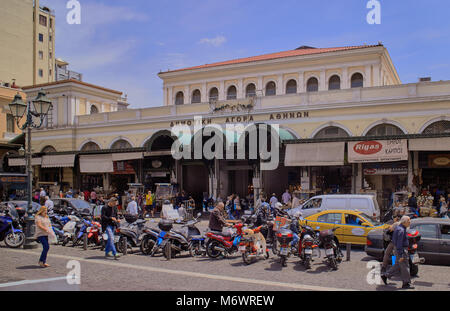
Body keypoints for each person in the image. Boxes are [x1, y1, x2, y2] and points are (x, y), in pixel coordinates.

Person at [382, 216, 414, 289]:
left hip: (399, 250)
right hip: (401, 250)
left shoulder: (400, 228)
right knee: (405, 266)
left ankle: (385, 275)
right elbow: (399, 243)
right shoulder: (401, 230)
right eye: (409, 221)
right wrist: (401, 254)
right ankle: (406, 283)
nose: (410, 223)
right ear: (404, 222)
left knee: (398, 265)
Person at [35, 201, 54, 268]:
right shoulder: (38, 217)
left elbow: (49, 224)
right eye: (44, 211)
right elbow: (39, 225)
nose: (46, 212)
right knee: (46, 247)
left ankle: (43, 261)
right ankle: (41, 261)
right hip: (40, 234)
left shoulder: (46, 217)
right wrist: (45, 229)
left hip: (46, 234)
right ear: (41, 211)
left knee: (46, 247)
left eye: (46, 211)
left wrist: (50, 230)